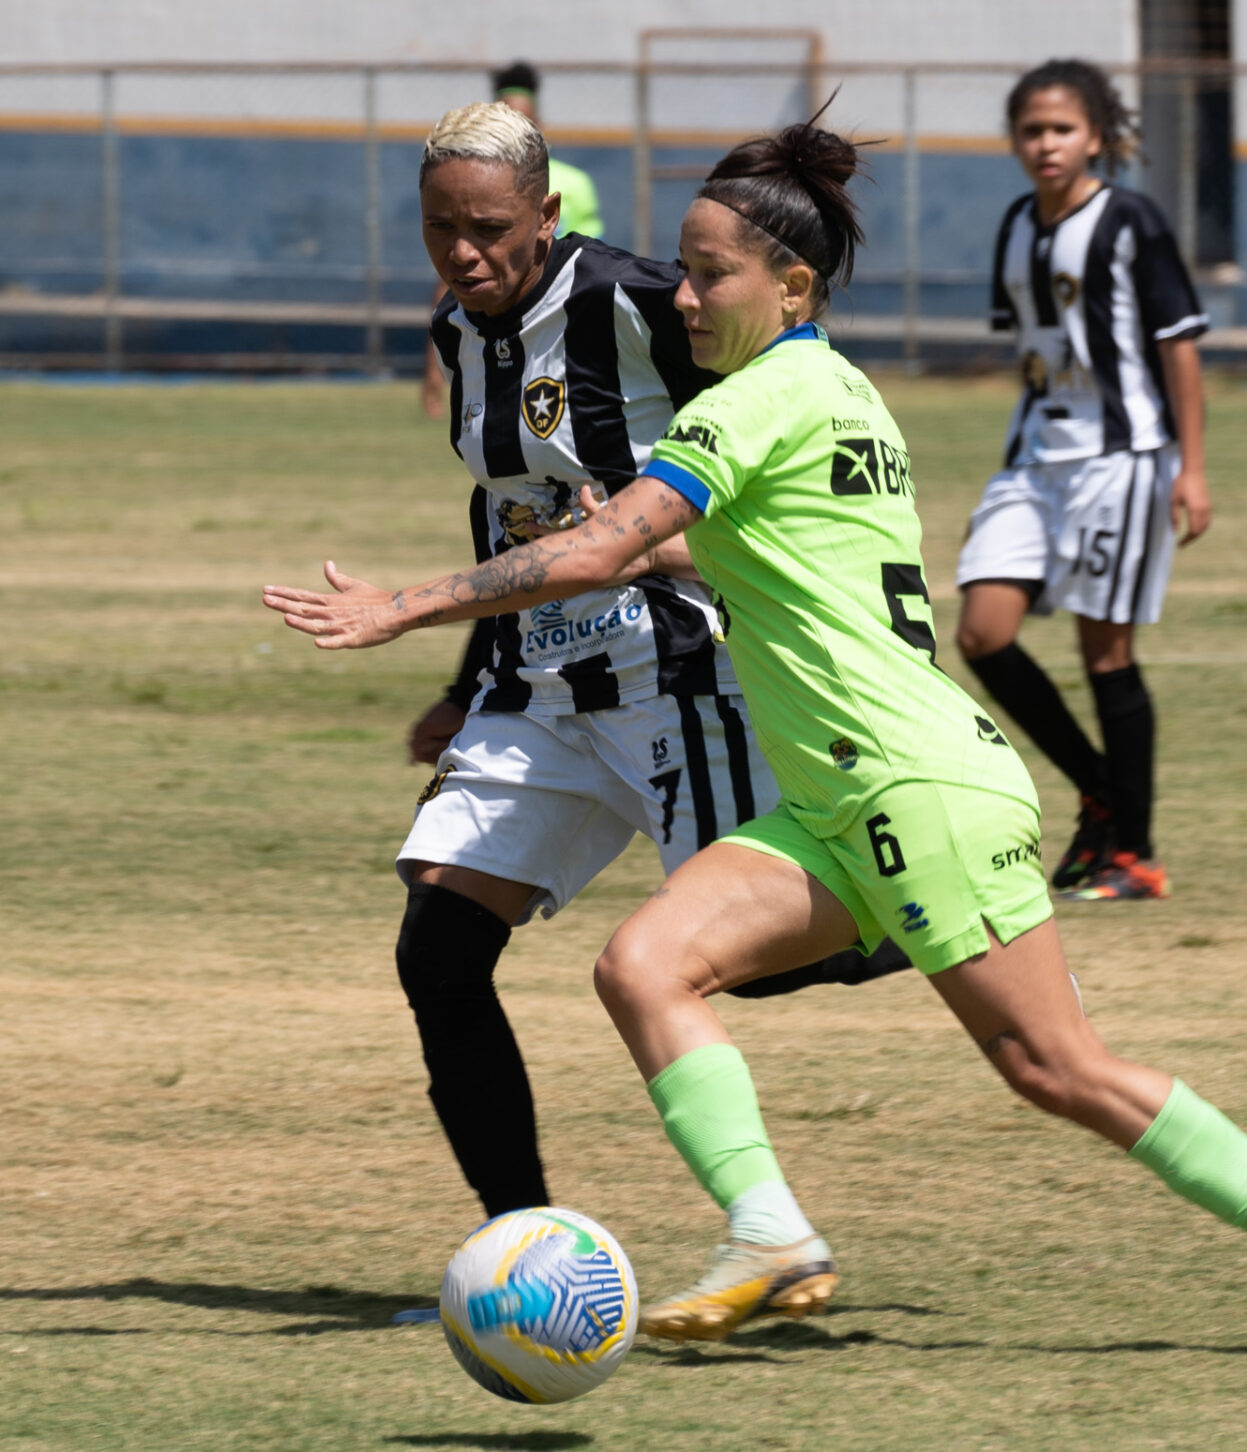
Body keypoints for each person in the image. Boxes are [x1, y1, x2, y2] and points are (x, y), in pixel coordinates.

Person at [266, 114, 1247, 1364]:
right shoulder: (839, 395)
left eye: (708, 277)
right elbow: (758, 550)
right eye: (684, 272)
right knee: (643, 967)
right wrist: (612, 551)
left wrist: (404, 607)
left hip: (917, 788)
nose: (682, 295)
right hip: (831, 799)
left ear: (790, 286)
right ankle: (770, 1234)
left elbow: (602, 552)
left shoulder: (741, 408)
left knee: (1055, 1069)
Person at [334, 101, 905, 1227]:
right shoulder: (457, 331)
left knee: (761, 961)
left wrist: (681, 551)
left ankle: (936, 921)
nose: (465, 252)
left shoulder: (642, 303)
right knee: (439, 949)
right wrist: (464, 693)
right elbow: (506, 517)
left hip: (678, 674)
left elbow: (784, 442)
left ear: (545, 215)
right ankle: (524, 1246)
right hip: (539, 691)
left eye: (491, 227)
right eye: (440, 227)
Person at [955, 59, 1213, 902]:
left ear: (1096, 135)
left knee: (1106, 652)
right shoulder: (1017, 226)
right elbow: (1037, 352)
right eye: (1031, 130)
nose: (1046, 145)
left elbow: (1177, 343)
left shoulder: (1130, 220)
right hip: (1036, 458)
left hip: (1123, 457)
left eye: (1062, 129)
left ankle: (1133, 851)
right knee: (982, 633)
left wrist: (1190, 467)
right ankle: (1102, 789)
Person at [421, 62, 603, 420]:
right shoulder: (468, 183)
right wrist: (432, 369)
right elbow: (445, 290)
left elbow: (589, 266)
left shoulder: (575, 184)